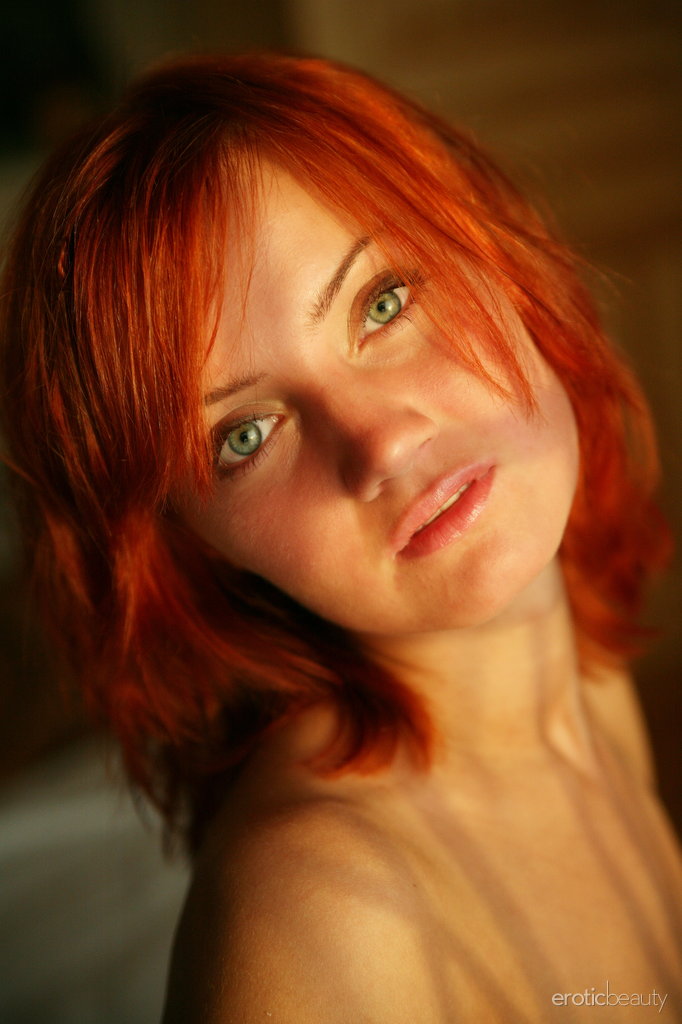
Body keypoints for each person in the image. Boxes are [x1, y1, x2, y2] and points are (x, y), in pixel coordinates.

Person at [1, 53, 680, 1022]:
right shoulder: (317, 921)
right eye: (244, 435)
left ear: (492, 251)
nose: (381, 443)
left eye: (383, 302)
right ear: (193, 548)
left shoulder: (580, 666)